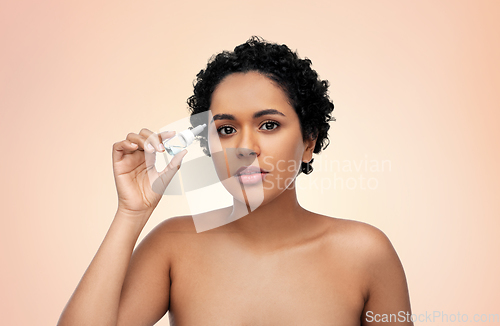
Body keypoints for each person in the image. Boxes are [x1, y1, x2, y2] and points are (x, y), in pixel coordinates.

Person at [58, 36, 413, 326]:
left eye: (269, 125)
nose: (245, 148)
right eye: (226, 130)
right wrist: (130, 213)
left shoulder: (366, 253)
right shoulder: (173, 246)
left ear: (309, 142)